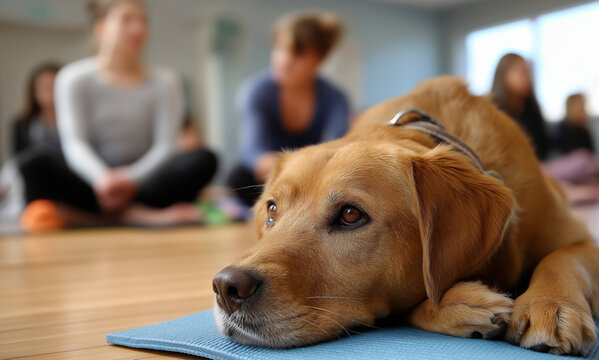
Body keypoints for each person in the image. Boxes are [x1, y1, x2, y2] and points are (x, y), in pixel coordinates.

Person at [19, 0, 217, 231]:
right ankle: (138, 215)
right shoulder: (73, 78)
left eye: (143, 20)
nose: (138, 28)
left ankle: (92, 217)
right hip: (92, 184)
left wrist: (130, 179)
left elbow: (165, 146)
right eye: (127, 19)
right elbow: (76, 143)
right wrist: (101, 178)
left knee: (205, 159)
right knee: (33, 163)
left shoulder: (166, 82)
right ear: (101, 27)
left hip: (146, 182)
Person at [227, 11, 350, 206]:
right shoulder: (256, 91)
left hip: (308, 175)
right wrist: (276, 164)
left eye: (297, 53)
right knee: (239, 177)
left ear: (320, 58)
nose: (284, 60)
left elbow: (341, 148)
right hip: (270, 174)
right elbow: (252, 150)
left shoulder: (335, 98)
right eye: (279, 49)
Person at [490, 53, 599, 203]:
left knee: (585, 158)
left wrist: (572, 126)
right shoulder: (493, 111)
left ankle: (556, 188)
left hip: (540, 169)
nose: (527, 77)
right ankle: (560, 191)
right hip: (512, 170)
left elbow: (545, 147)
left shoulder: (532, 111)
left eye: (528, 72)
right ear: (503, 75)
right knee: (515, 174)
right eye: (521, 72)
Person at [12, 62, 62, 155]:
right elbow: (19, 160)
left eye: (54, 86)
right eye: (45, 87)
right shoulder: (22, 124)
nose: (50, 93)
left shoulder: (81, 121)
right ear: (34, 92)